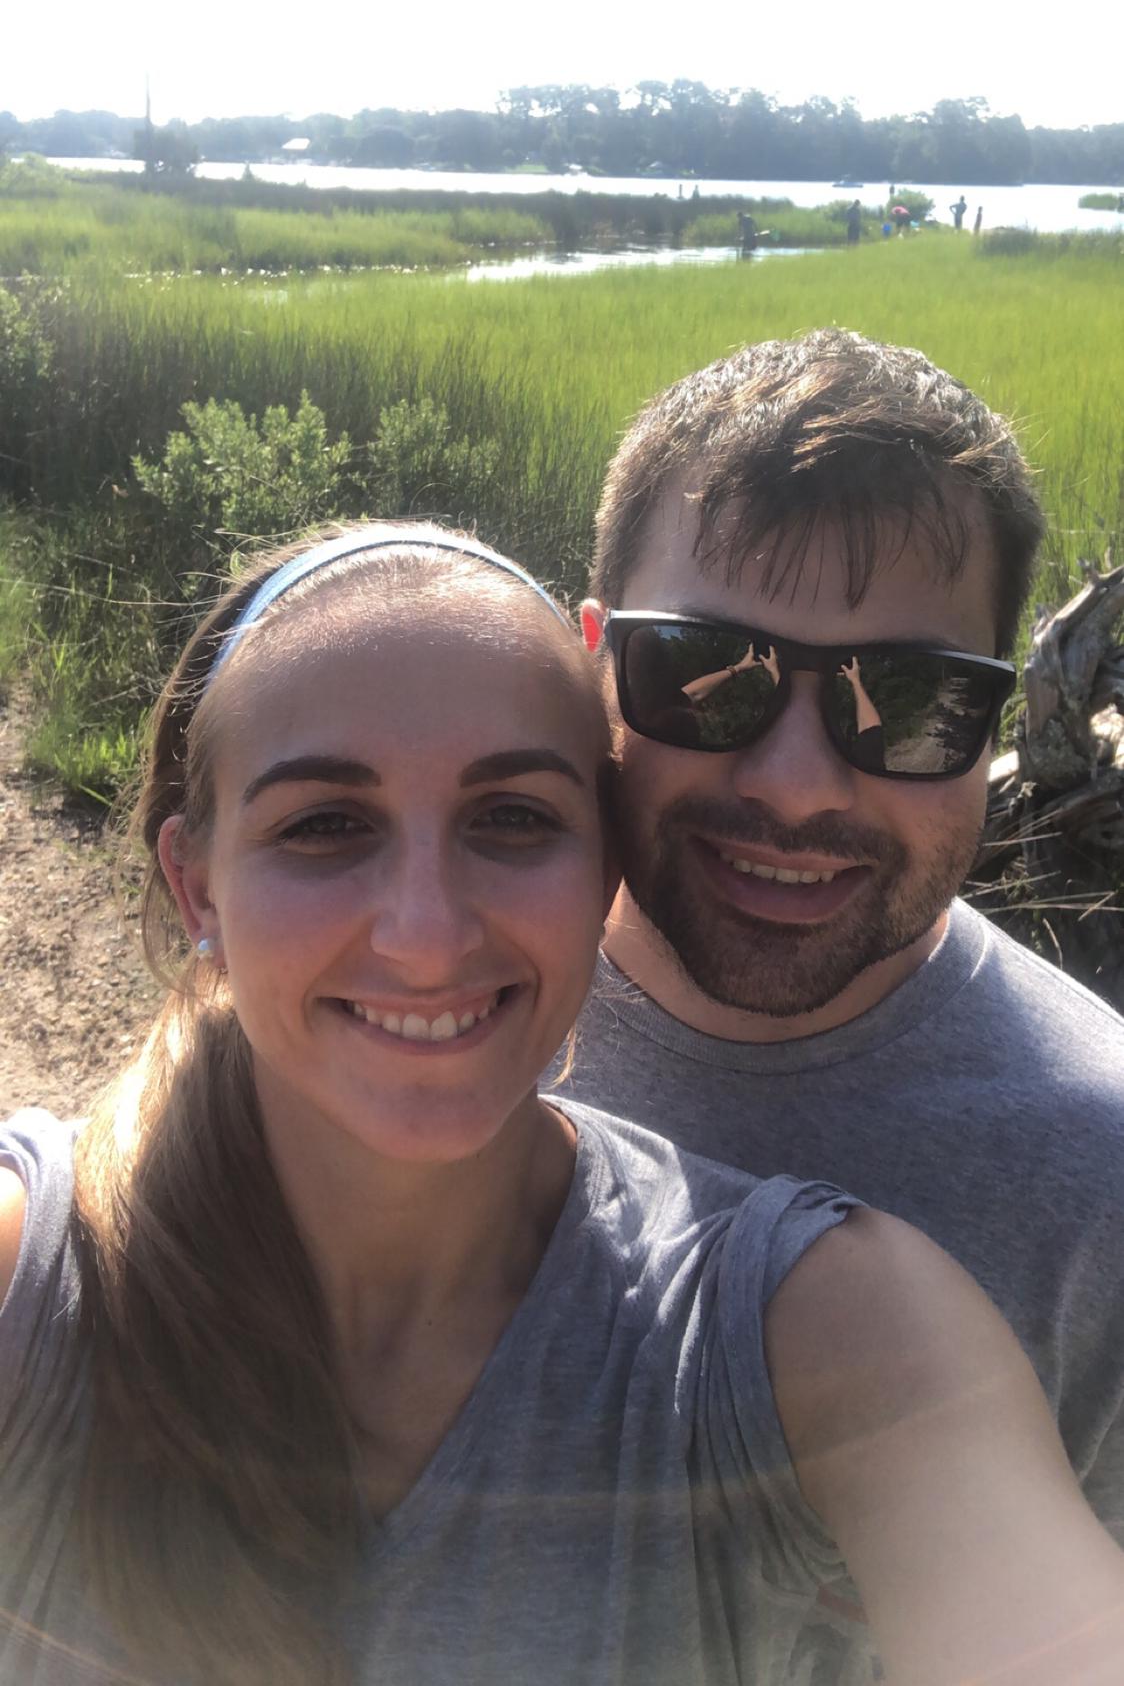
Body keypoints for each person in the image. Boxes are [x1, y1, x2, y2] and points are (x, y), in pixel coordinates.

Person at [3, 520, 1122, 1686]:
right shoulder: (29, 1291)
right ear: (199, 886)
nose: (427, 934)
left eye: (513, 818)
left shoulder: (822, 1326)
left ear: (603, 872)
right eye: (324, 824)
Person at [563, 329, 1124, 1662]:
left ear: (1002, 724)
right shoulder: (423, 1019)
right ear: (595, 666)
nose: (801, 782)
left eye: (917, 702)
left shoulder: (1099, 1174)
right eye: (708, 674)